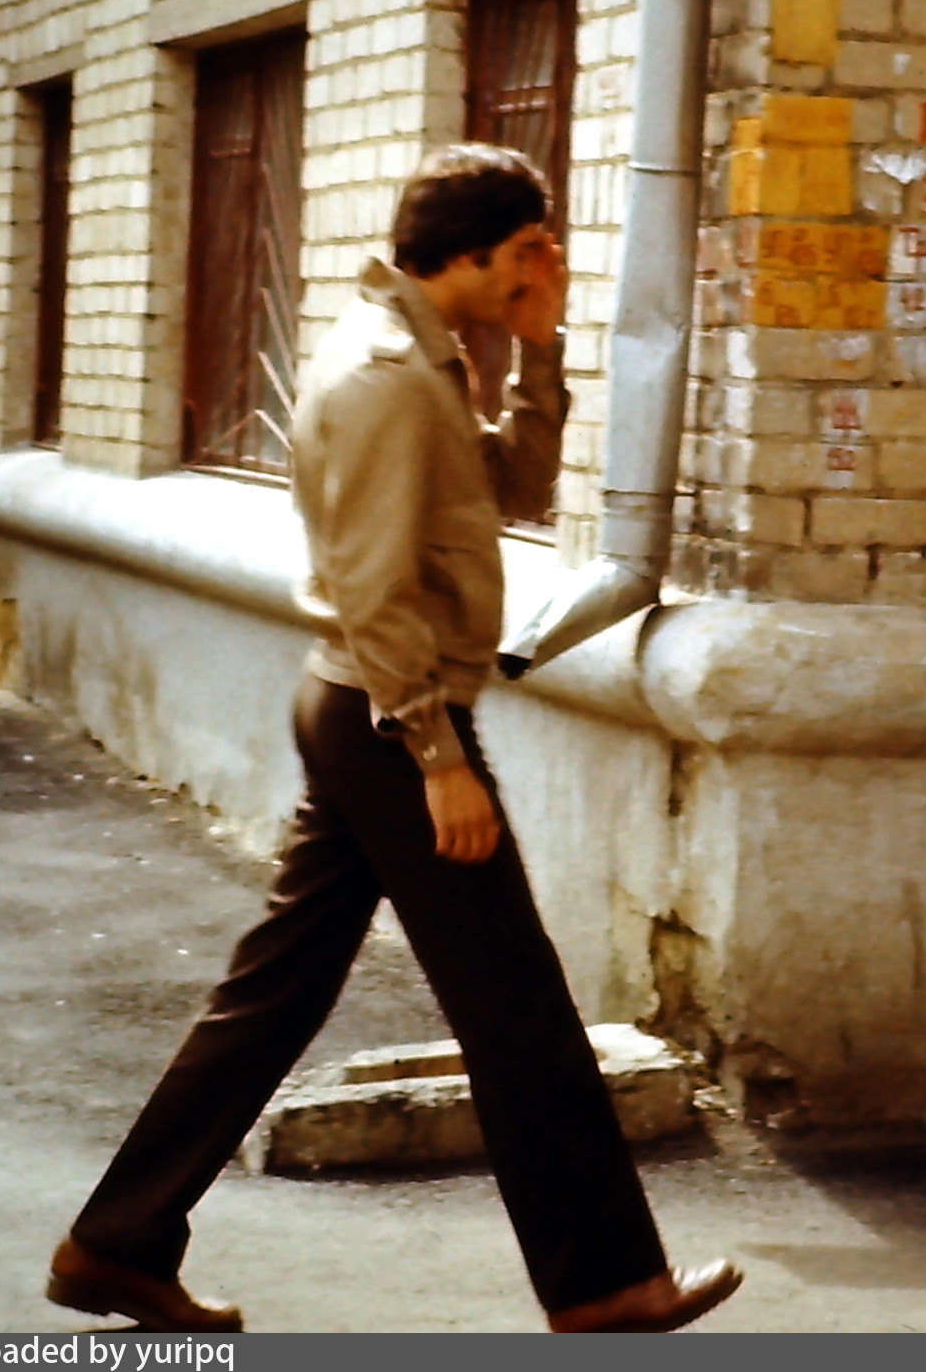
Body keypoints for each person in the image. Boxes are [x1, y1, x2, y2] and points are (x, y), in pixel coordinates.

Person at [46, 144, 741, 1334]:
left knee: (275, 997)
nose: (542, 265)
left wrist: (540, 348)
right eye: (527, 249)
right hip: (389, 718)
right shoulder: (381, 375)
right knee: (516, 1005)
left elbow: (507, 492)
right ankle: (606, 1286)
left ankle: (115, 1243)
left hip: (372, 711)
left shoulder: (425, 357)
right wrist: (437, 755)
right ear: (469, 252)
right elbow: (372, 590)